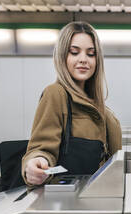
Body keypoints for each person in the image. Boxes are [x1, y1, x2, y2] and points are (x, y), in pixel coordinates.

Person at [21, 21, 122, 186]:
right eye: (74, 52)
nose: (83, 59)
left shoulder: (99, 106)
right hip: (67, 201)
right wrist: (35, 163)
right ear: (62, 56)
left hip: (96, 196)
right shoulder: (56, 94)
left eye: (91, 54)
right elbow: (41, 148)